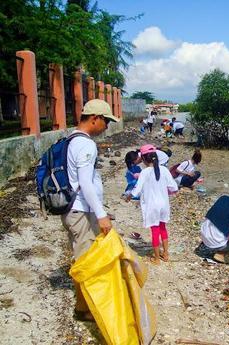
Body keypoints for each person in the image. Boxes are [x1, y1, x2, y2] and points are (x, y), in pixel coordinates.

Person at [60, 99, 119, 321]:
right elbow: (85, 182)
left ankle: (85, 304)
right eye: (106, 121)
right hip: (80, 212)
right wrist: (102, 215)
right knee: (85, 260)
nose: (107, 127)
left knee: (84, 257)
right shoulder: (86, 144)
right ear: (95, 118)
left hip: (73, 209)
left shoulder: (70, 139)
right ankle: (83, 309)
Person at [127, 144, 178, 264]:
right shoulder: (164, 169)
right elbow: (174, 187)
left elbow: (137, 190)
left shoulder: (145, 172)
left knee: (155, 230)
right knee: (163, 228)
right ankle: (165, 254)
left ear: (144, 159)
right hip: (164, 204)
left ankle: (156, 258)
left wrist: (129, 196)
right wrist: (168, 192)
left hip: (152, 205)